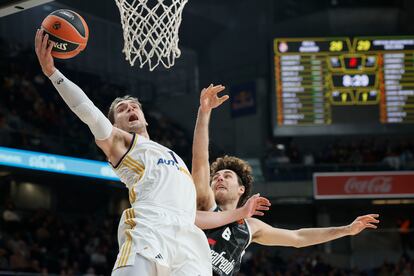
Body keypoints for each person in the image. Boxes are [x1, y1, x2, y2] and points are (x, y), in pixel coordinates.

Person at [34, 30, 271, 276]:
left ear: (145, 118)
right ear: (115, 125)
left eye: (134, 106)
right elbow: (89, 112)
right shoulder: (123, 144)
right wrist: (53, 73)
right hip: (149, 229)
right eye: (123, 109)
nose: (131, 108)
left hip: (188, 240)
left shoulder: (172, 156)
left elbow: (193, 217)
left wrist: (241, 213)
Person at [191, 84, 381, 276]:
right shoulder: (206, 204)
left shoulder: (250, 227)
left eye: (227, 176)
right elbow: (200, 163)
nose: (219, 179)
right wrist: (204, 113)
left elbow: (298, 237)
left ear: (241, 189)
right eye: (215, 177)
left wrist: (346, 230)